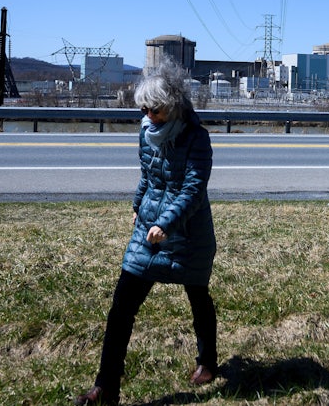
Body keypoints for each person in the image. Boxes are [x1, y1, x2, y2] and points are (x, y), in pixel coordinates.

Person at [76, 62, 218, 406]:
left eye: (155, 110)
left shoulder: (196, 138)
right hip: (149, 229)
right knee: (122, 305)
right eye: (144, 109)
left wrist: (166, 224)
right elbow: (148, 176)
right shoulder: (146, 131)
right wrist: (138, 202)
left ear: (174, 105)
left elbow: (192, 190)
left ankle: (208, 360)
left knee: (197, 295)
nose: (149, 115)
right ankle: (106, 388)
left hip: (187, 232)